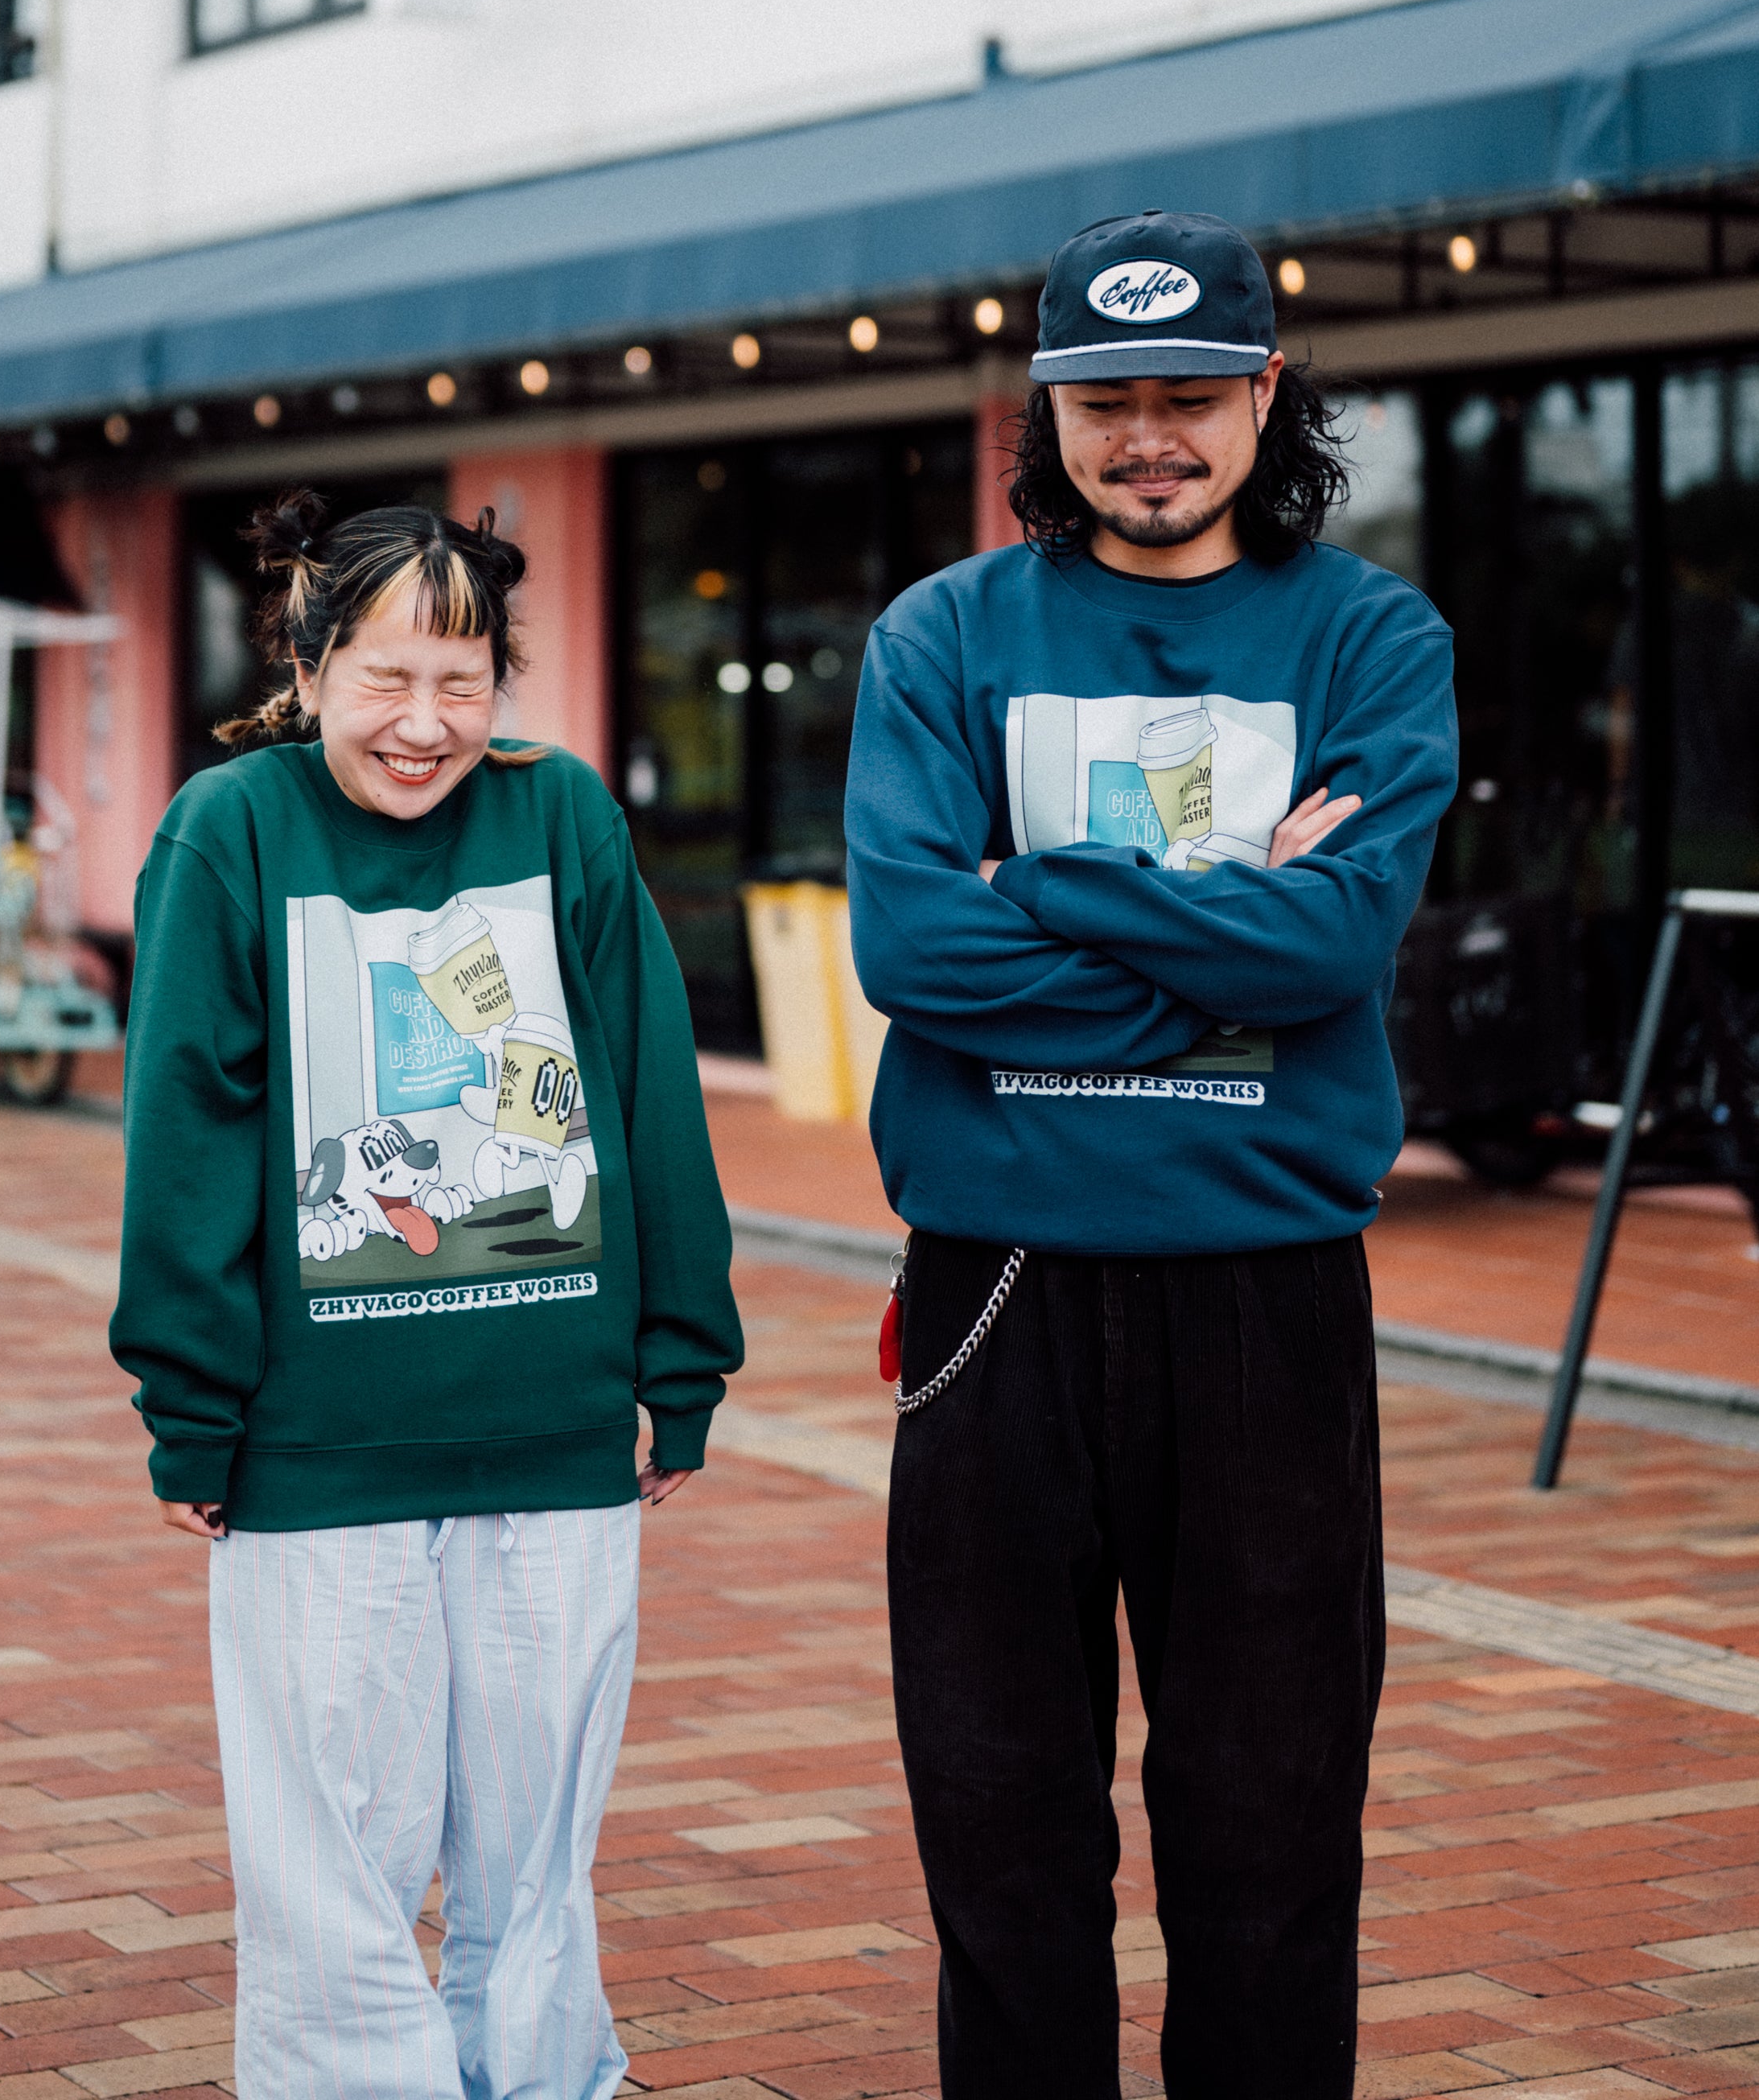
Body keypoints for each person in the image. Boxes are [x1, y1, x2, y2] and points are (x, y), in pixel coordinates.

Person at [844, 210, 1458, 2100]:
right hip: (994, 1289)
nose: (1148, 436)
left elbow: (1332, 944)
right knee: (999, 1814)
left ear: (1264, 395)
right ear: (1049, 406)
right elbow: (908, 948)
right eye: (1107, 399)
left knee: (1268, 1822)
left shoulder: (1367, 636)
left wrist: (1034, 891)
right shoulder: (944, 631)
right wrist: (1206, 941)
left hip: (1264, 1294)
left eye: (1190, 393)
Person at [111, 496, 742, 2100]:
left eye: (461, 680)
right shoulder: (229, 826)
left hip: (553, 1432)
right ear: (308, 666)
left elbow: (646, 1091)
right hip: (317, 1452)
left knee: (536, 1858)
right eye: (385, 676)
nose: (423, 722)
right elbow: (187, 1125)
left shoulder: (563, 819)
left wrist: (683, 1357)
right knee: (333, 1866)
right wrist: (192, 1407)